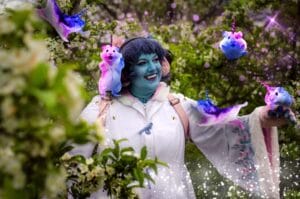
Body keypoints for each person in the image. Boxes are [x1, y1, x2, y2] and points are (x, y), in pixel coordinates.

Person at [71, 37, 295, 199]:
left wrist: (264, 117)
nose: (152, 68)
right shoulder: (102, 107)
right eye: (141, 63)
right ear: (126, 72)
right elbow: (70, 164)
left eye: (155, 60)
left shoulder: (177, 105)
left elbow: (225, 129)